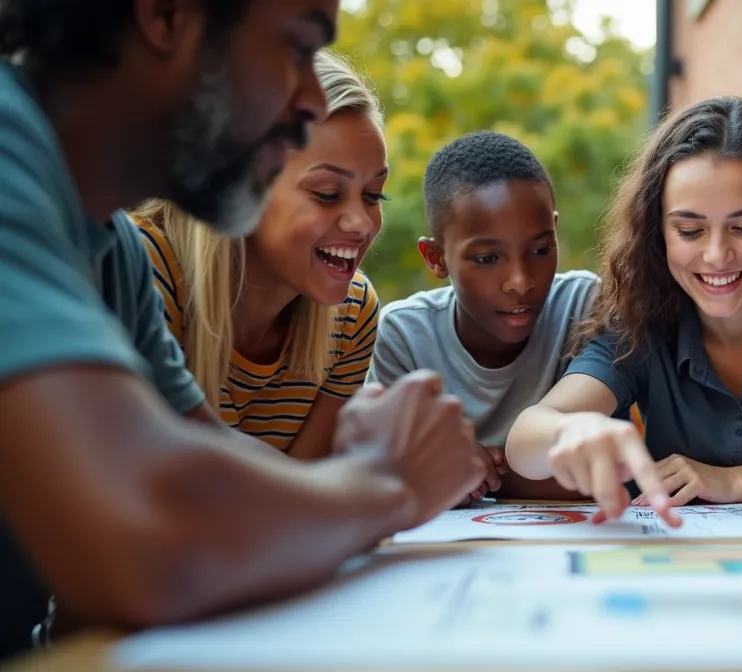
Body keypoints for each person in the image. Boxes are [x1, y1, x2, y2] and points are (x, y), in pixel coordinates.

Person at [0, 0, 483, 660]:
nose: (309, 99)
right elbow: (150, 535)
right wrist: (386, 481)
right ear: (166, 15)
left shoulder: (109, 247)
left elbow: (218, 468)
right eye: (296, 47)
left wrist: (358, 481)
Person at [506, 96, 742, 526]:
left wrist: (735, 482)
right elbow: (524, 442)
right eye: (689, 230)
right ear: (658, 228)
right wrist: (568, 431)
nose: (717, 255)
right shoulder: (640, 309)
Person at [131, 50, 384, 461]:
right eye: (327, 193)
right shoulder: (143, 268)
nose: (361, 222)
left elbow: (304, 493)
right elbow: (148, 475)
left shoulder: (352, 314)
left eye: (374, 195)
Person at [367, 131, 598, 502]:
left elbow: (596, 475)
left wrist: (471, 476)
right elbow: (381, 476)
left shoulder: (583, 307)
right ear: (436, 258)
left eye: (540, 250)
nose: (520, 282)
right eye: (488, 259)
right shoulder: (404, 336)